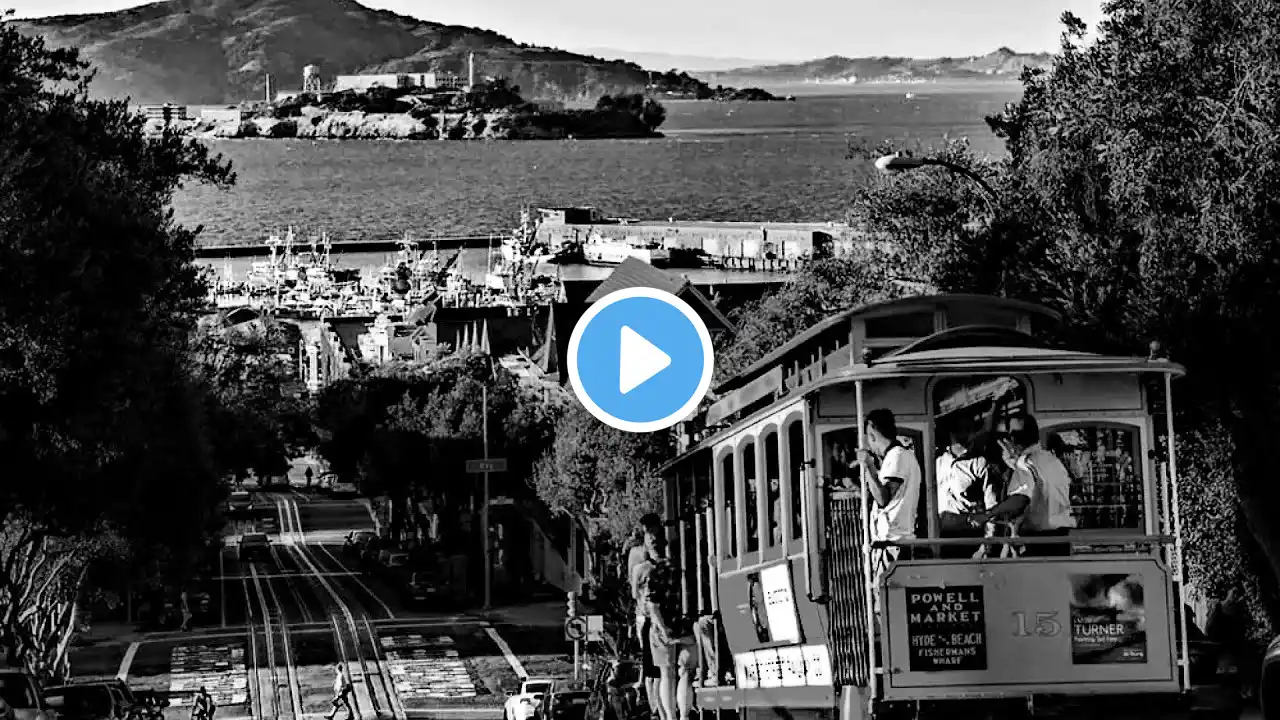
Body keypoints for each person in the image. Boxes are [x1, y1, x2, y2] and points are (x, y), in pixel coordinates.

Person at [965, 412, 1075, 556]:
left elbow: (1020, 499)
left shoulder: (1026, 463)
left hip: (1039, 541)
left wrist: (988, 515)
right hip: (1062, 537)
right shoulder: (1052, 461)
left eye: (1011, 434)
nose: (1009, 439)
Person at [636, 519, 696, 720]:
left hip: (662, 626)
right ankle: (683, 715)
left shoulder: (655, 570)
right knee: (685, 670)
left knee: (666, 673)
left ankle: (671, 717)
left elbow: (650, 604)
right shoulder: (683, 568)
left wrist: (662, 629)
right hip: (682, 625)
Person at [856, 409, 922, 575]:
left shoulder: (897, 456)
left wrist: (868, 466)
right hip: (891, 544)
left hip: (894, 545)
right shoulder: (897, 457)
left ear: (871, 435)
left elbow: (883, 498)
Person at [935, 419, 997, 559]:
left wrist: (986, 546)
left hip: (969, 537)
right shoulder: (938, 461)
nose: (963, 433)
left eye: (966, 429)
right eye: (959, 429)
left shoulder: (979, 463)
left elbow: (992, 507)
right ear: (951, 432)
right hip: (940, 536)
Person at [630, 515, 662, 719]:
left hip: (651, 615)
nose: (651, 538)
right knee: (653, 669)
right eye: (648, 533)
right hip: (648, 617)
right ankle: (656, 709)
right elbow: (635, 593)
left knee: (657, 669)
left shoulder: (655, 561)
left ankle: (658, 709)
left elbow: (635, 593)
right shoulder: (638, 561)